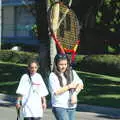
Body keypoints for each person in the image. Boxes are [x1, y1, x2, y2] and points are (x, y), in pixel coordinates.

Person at [48, 54, 84, 120]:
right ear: (56, 64)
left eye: (65, 64)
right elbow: (56, 92)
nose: (63, 66)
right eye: (61, 64)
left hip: (71, 106)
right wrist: (69, 86)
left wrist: (74, 94)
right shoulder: (53, 75)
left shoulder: (72, 72)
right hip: (59, 106)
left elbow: (81, 84)